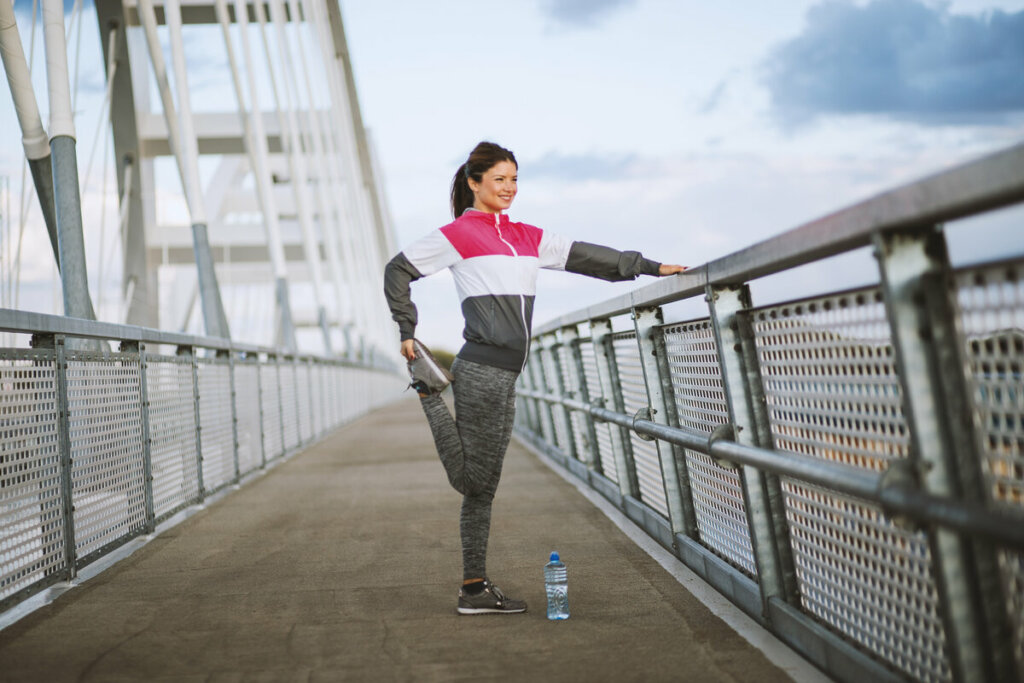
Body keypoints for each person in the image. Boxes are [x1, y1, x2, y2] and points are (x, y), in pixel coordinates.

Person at [383, 141, 685, 615]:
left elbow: (589, 258)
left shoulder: (527, 236)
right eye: (499, 179)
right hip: (481, 367)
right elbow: (397, 270)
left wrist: (648, 267)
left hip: (506, 373)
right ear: (474, 182)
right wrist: (407, 329)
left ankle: (474, 587)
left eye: (515, 179)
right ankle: (426, 392)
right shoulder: (458, 234)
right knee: (474, 481)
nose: (509, 188)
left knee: (483, 485)